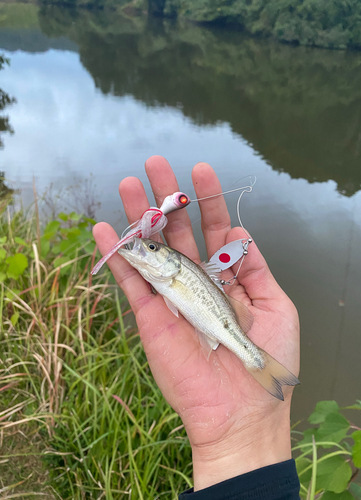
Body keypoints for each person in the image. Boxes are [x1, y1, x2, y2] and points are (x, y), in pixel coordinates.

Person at [93, 156, 301, 499]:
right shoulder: (167, 275)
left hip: (222, 326)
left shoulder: (173, 274)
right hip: (210, 320)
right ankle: (256, 362)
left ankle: (257, 361)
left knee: (242, 347)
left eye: (150, 247)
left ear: (167, 260)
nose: (143, 250)